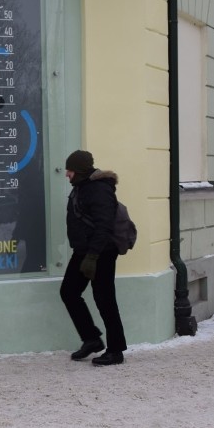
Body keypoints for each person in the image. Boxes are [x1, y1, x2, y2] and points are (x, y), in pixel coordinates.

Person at [60, 150, 127, 366]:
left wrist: (92, 257)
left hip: (101, 253)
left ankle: (116, 350)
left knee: (105, 300)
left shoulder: (98, 189)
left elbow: (103, 226)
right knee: (69, 292)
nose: (66, 174)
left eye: (69, 170)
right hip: (83, 251)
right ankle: (91, 339)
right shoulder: (81, 187)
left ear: (78, 170)